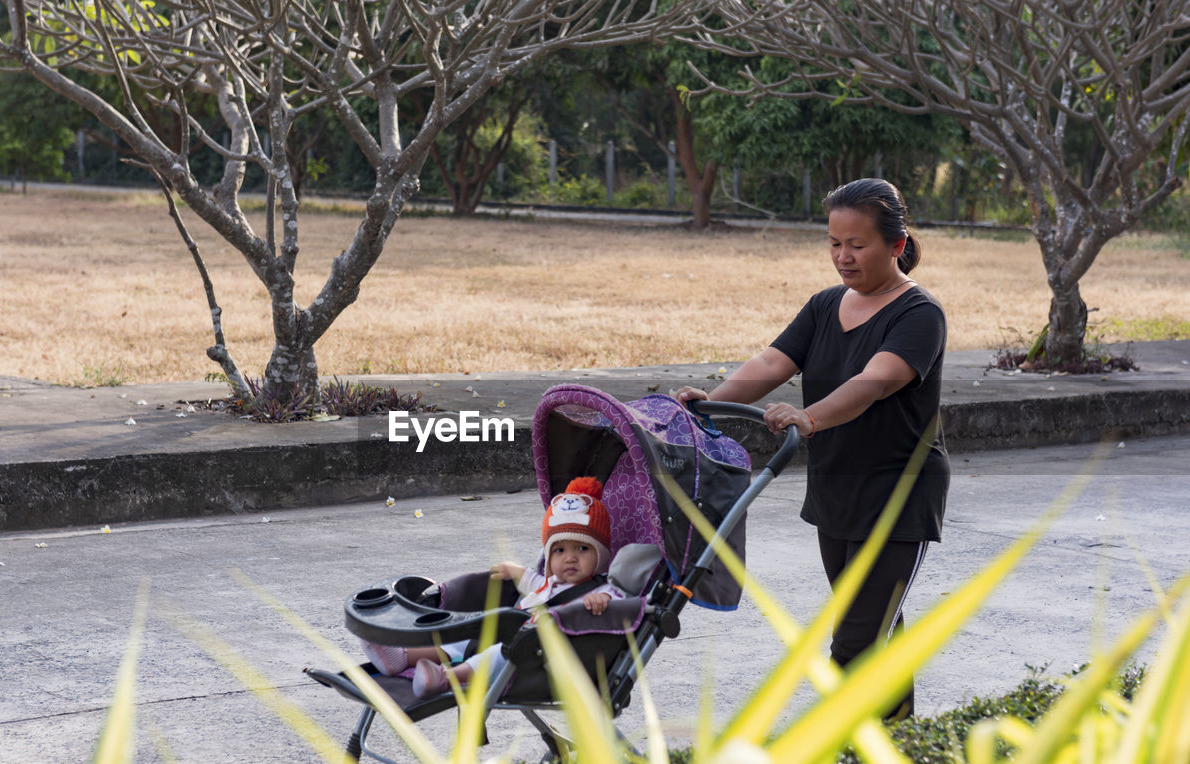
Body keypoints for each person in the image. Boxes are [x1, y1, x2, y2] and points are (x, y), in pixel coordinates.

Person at [675, 177, 949, 722]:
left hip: (899, 494)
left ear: (896, 246)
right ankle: (901, 739)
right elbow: (772, 364)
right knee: (877, 626)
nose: (842, 257)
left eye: (857, 245)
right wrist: (708, 405)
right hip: (837, 488)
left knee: (854, 638)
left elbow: (875, 381)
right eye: (833, 243)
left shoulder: (920, 314)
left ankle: (837, 749)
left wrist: (809, 416)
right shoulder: (826, 306)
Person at [360, 476, 625, 698]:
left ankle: (447, 678)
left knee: (497, 653)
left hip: (534, 656)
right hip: (512, 633)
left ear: (600, 556)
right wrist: (515, 570)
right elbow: (529, 580)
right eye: (559, 550)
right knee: (465, 638)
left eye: (582, 549)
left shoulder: (600, 590)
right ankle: (403, 657)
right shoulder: (550, 582)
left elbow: (620, 603)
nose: (570, 557)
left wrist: (603, 601)